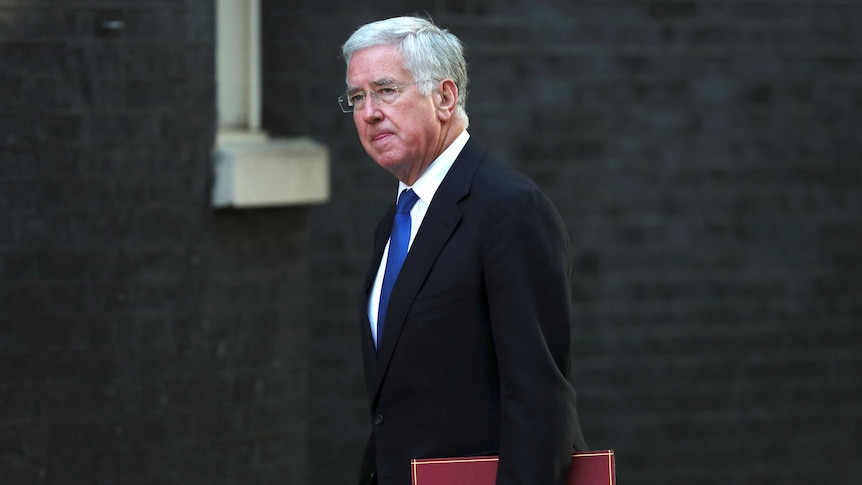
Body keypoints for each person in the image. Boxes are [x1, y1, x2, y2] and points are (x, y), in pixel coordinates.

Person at [339, 16, 587, 485]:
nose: (368, 112)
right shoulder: (395, 222)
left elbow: (539, 400)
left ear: (445, 98)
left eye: (386, 90)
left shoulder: (510, 208)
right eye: (356, 97)